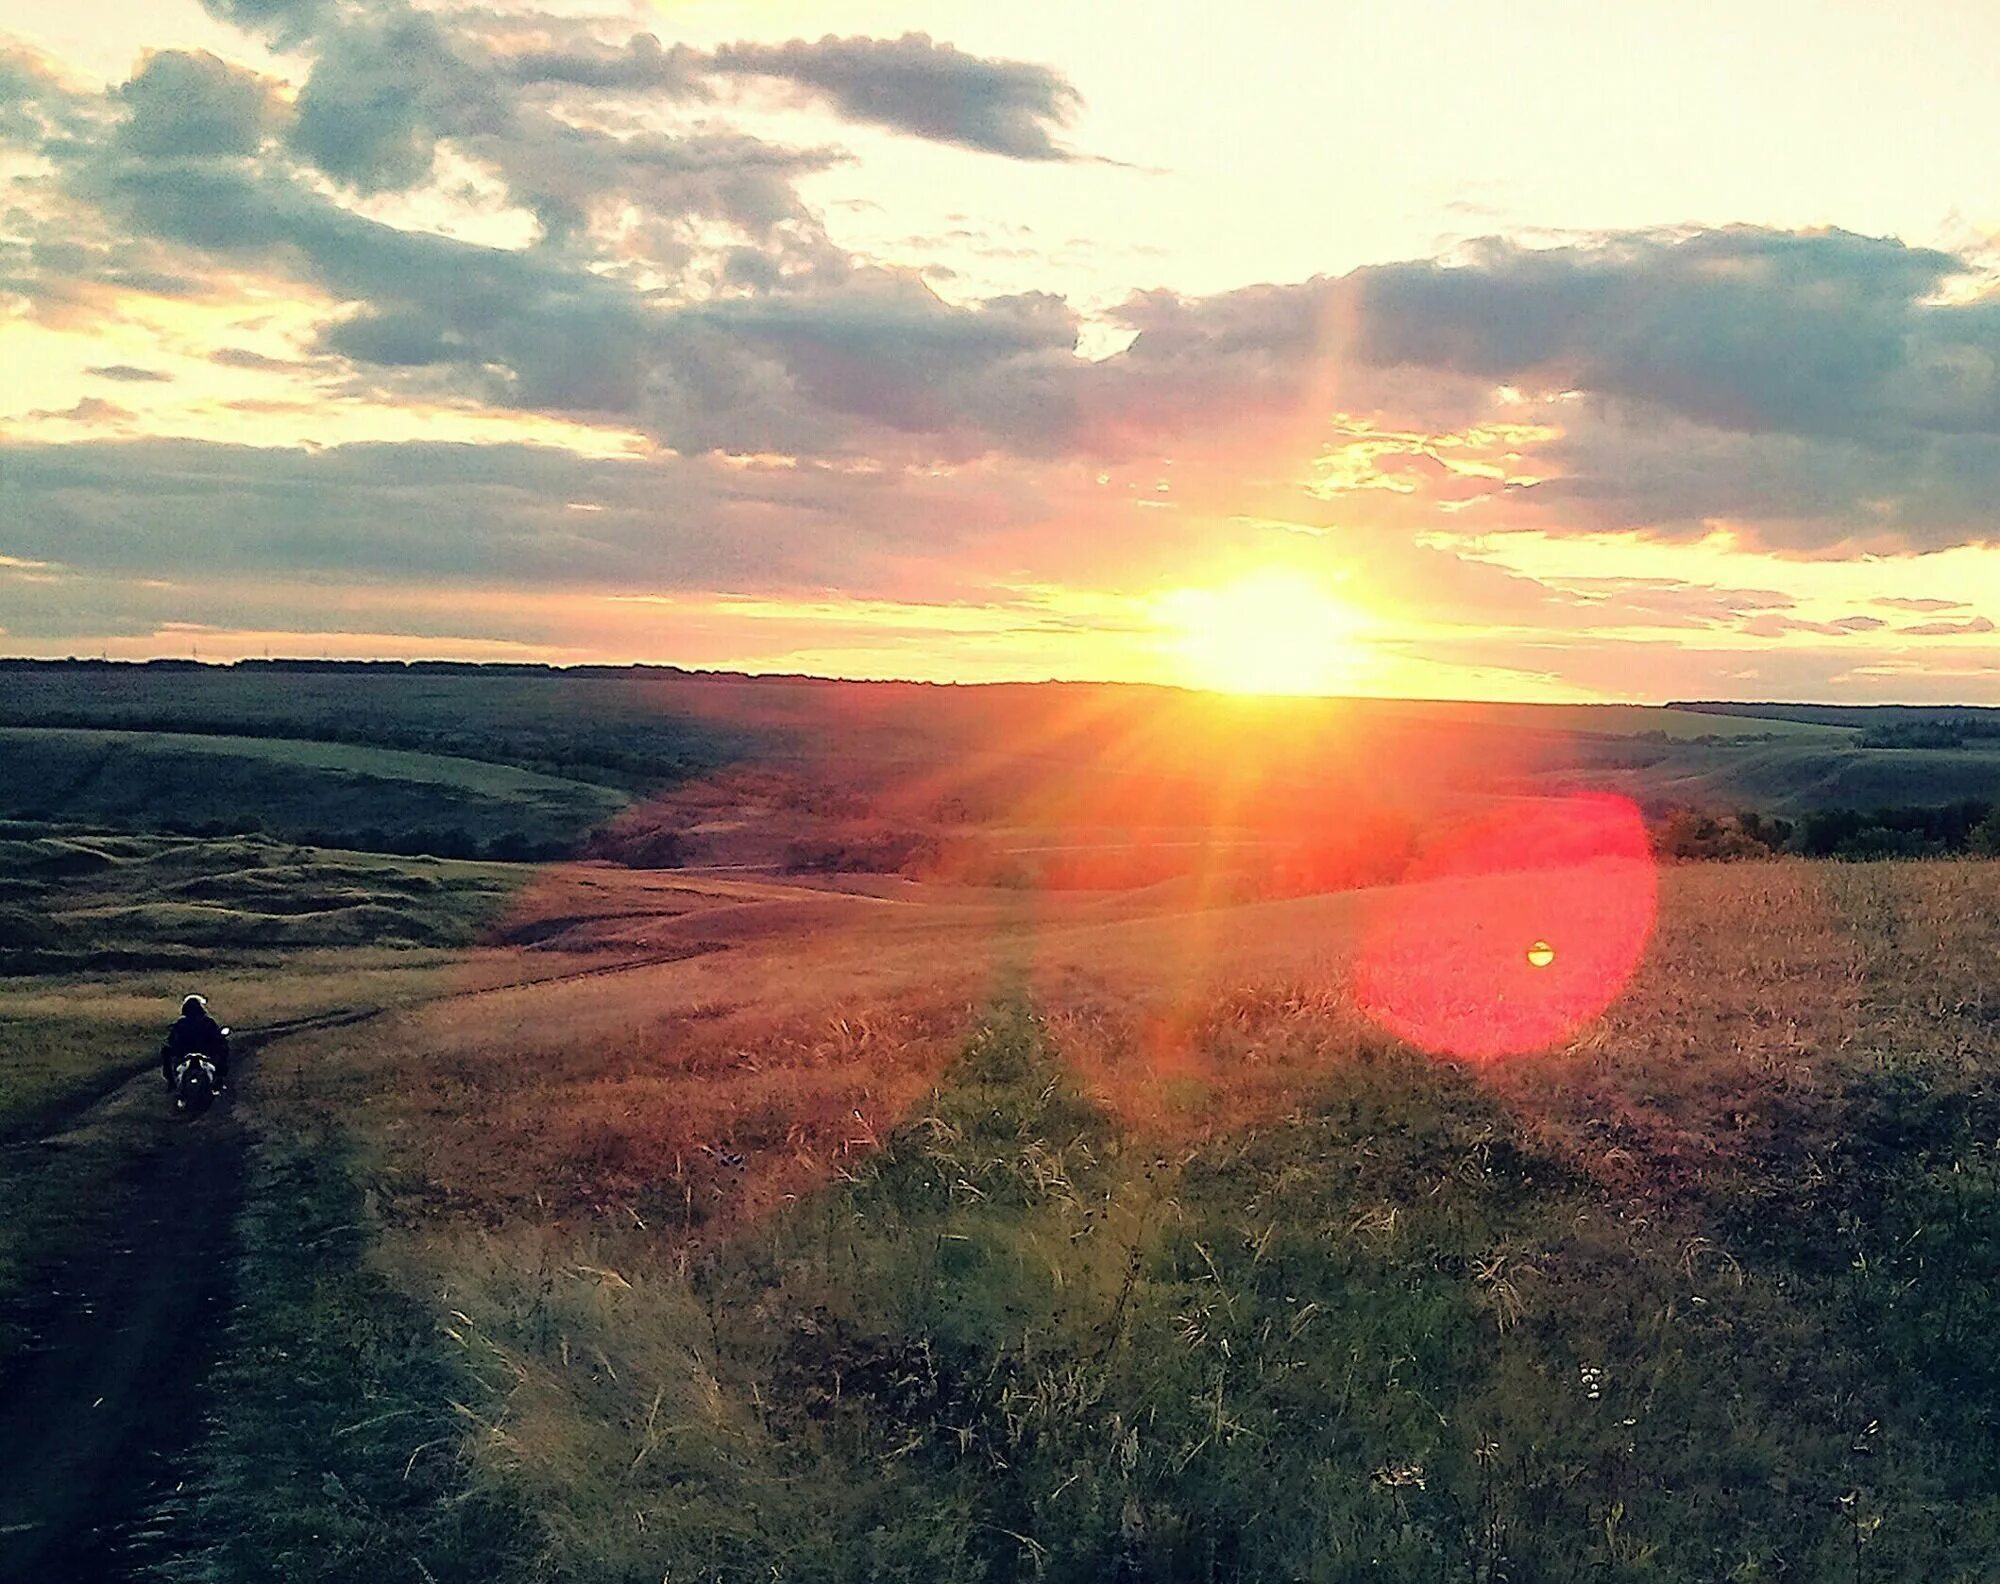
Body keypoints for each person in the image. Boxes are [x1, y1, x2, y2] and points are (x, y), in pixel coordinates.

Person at [161, 993, 231, 1093]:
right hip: (203, 1053)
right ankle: (219, 1080)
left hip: (187, 1054)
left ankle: (171, 1083)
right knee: (222, 1051)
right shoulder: (208, 1022)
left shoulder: (181, 1024)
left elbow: (172, 1040)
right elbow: (217, 1038)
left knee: (166, 1052)